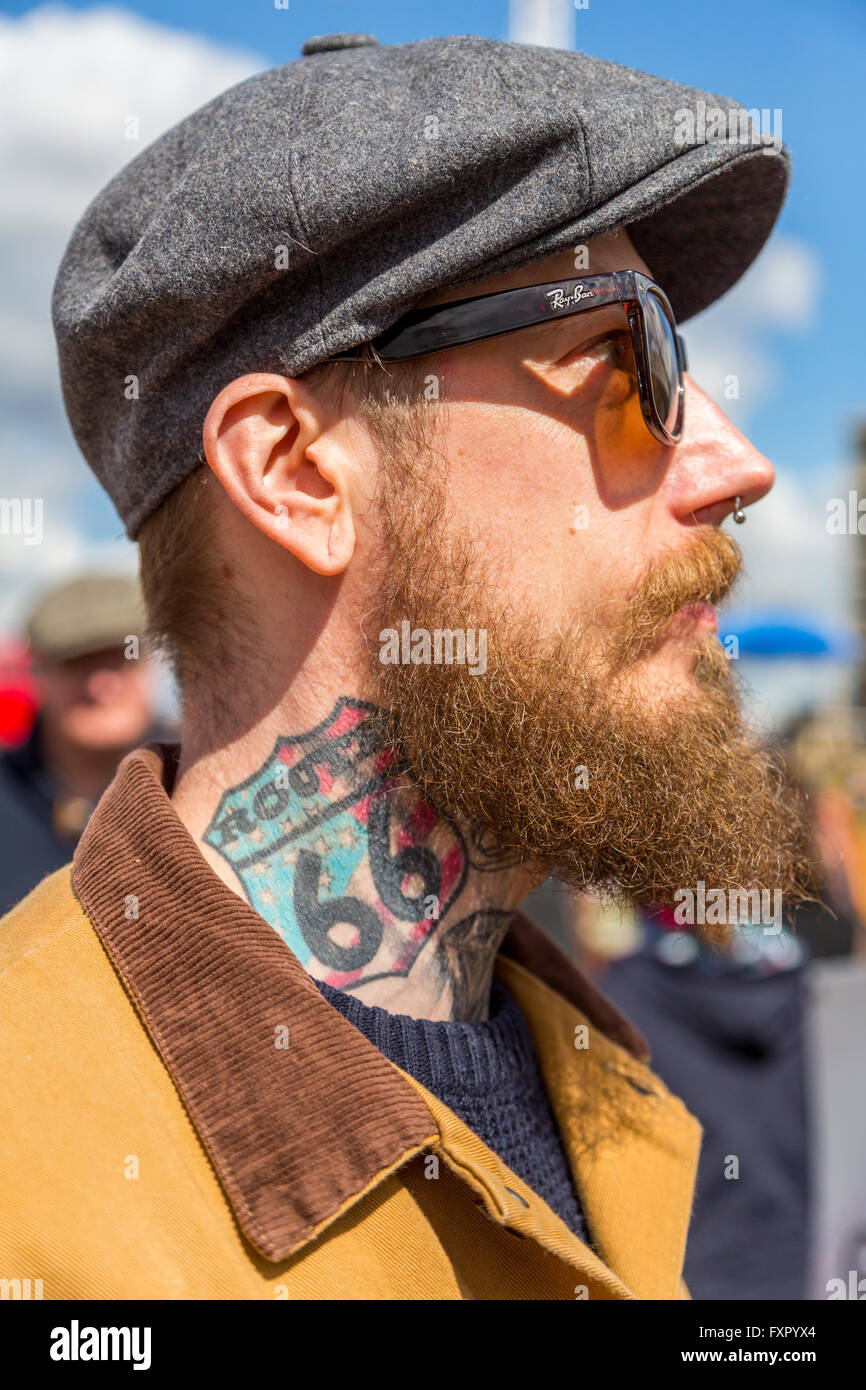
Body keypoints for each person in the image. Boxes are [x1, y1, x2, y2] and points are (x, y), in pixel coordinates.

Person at [0, 32, 815, 1301]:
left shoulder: (610, 1088)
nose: (733, 461)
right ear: (293, 470)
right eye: (620, 356)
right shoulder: (29, 1180)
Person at [0, 573, 156, 915]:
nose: (101, 685)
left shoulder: (203, 781)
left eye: (120, 659)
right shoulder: (7, 794)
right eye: (78, 663)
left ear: (150, 661)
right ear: (39, 669)